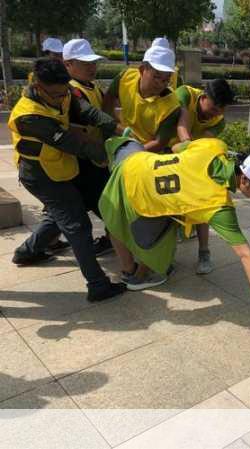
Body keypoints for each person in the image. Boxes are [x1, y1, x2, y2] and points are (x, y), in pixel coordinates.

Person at [98, 136, 250, 338]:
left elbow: (175, 146)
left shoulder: (215, 146)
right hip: (136, 186)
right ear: (244, 179)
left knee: (155, 229)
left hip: (137, 161)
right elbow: (246, 255)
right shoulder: (217, 205)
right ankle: (132, 274)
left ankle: (138, 268)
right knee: (120, 228)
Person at [9, 58, 126, 302]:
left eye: (64, 92)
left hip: (59, 167)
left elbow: (85, 110)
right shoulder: (28, 116)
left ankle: (26, 252)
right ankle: (98, 285)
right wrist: (109, 155)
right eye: (54, 94)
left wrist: (118, 130)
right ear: (38, 86)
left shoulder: (62, 91)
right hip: (40, 174)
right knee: (77, 225)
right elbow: (70, 142)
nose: (61, 97)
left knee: (58, 214)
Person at [175, 79, 236, 275]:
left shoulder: (219, 121)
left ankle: (204, 252)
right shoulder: (185, 94)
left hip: (192, 160)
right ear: (203, 97)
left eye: (221, 110)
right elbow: (182, 126)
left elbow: (205, 145)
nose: (216, 113)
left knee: (202, 202)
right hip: (168, 154)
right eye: (214, 108)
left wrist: (188, 150)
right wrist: (186, 145)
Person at [63, 38, 113, 256]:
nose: (91, 67)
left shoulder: (92, 87)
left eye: (93, 63)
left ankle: (34, 247)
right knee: (106, 204)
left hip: (99, 157)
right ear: (68, 65)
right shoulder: (70, 91)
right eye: (85, 64)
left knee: (70, 209)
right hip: (84, 160)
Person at [102, 45, 182, 153]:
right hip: (123, 141)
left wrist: (128, 154)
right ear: (142, 70)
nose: (160, 84)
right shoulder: (126, 78)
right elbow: (108, 99)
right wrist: (113, 126)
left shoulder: (171, 107)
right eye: (156, 77)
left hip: (150, 155)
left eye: (166, 79)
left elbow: (159, 143)